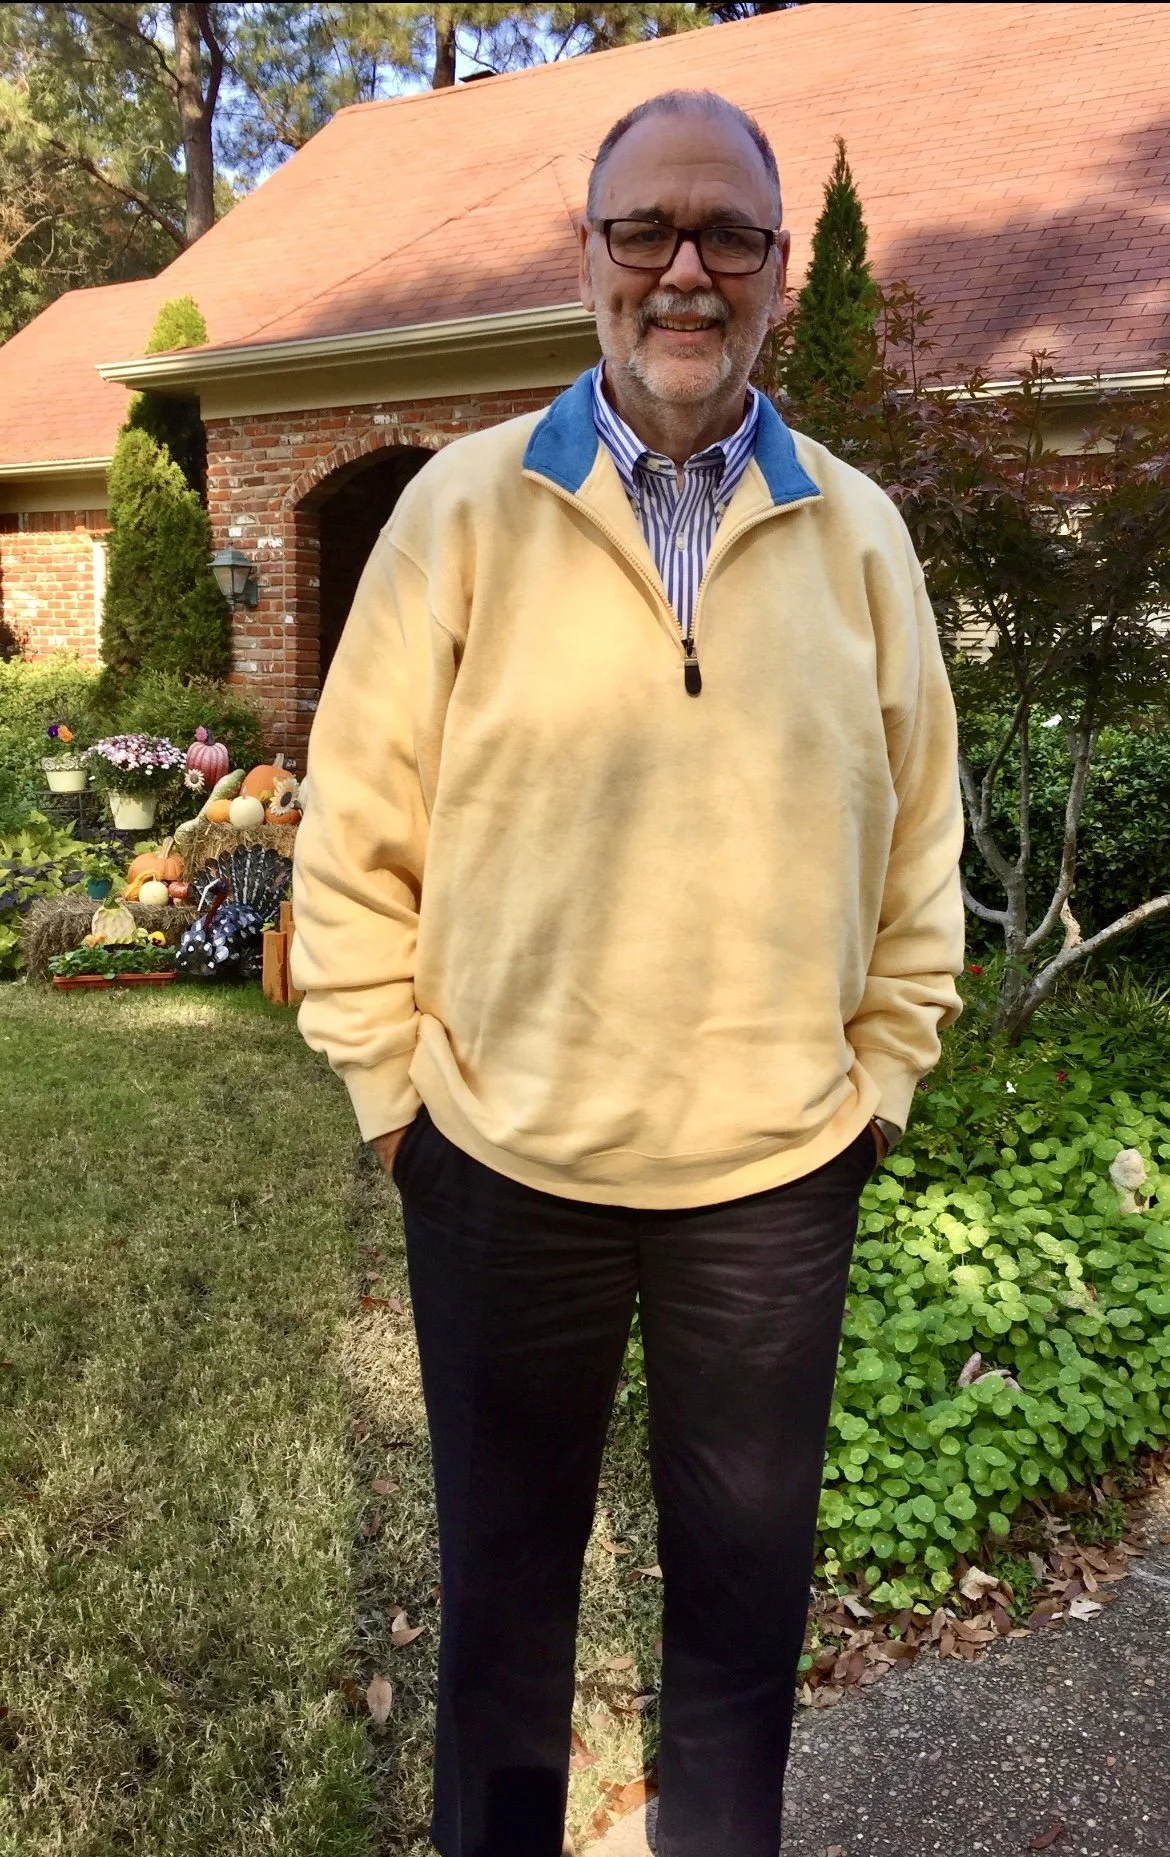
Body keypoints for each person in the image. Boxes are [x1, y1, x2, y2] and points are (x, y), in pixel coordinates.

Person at [291, 86, 965, 1857]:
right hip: (500, 1173)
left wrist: (872, 1096)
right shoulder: (458, 514)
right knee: (505, 1644)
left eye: (724, 233)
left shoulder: (862, 540)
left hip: (770, 1181)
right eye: (643, 232)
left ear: (775, 266)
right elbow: (352, 843)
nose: (684, 269)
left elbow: (921, 864)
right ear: (582, 258)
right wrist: (397, 1107)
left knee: (739, 1648)